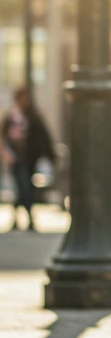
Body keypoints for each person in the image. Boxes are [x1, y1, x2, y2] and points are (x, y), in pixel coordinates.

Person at [1, 85, 55, 232]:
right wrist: (6, 153)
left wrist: (48, 155)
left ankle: (19, 218)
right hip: (15, 159)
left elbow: (42, 137)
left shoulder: (32, 116)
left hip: (28, 158)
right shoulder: (11, 116)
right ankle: (29, 218)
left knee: (25, 189)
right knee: (23, 188)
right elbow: (3, 136)